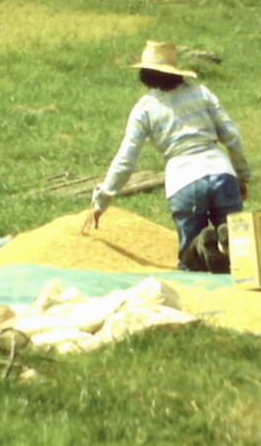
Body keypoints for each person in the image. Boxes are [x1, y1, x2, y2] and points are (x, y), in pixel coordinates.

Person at [82, 40, 250, 272]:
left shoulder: (145, 109)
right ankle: (227, 245)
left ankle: (201, 247)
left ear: (145, 75)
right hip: (221, 173)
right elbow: (231, 135)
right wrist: (241, 176)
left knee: (190, 265)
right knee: (243, 254)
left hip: (184, 182)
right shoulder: (201, 93)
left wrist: (101, 201)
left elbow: (126, 160)